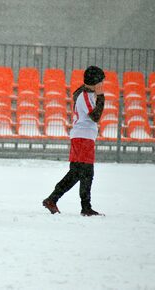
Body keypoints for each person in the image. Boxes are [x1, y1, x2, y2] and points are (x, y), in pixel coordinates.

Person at [42, 65, 105, 216]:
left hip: (84, 137)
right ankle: (85, 207)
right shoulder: (85, 96)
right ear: (95, 82)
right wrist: (101, 96)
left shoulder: (86, 94)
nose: (102, 84)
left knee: (76, 173)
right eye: (101, 81)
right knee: (86, 173)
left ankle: (53, 199)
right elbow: (95, 116)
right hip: (83, 138)